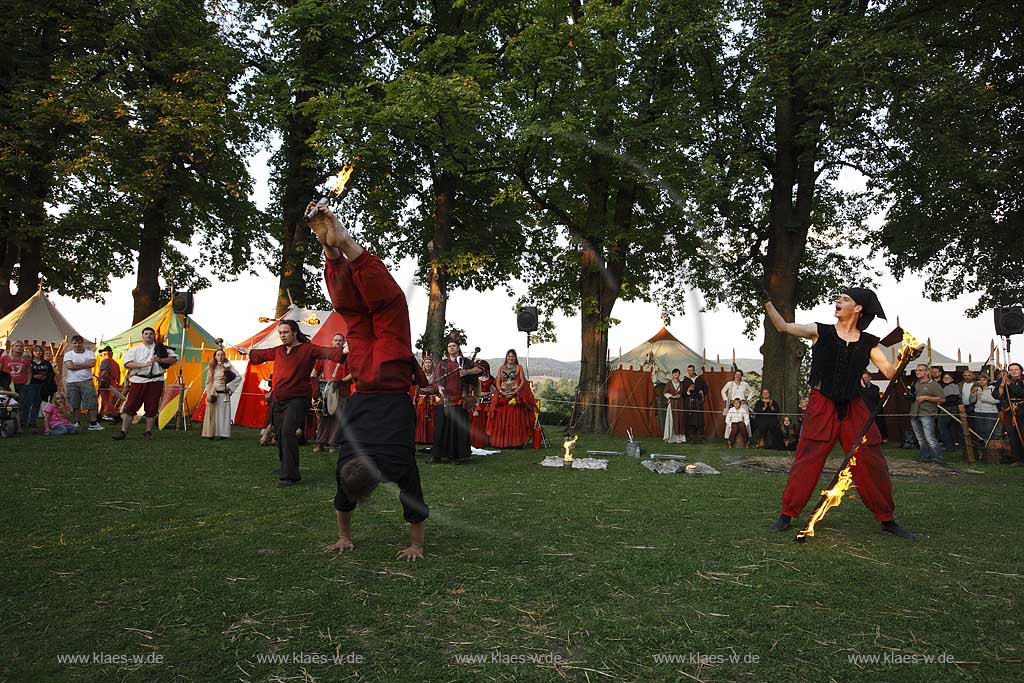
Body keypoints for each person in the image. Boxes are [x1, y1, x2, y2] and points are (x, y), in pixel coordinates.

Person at [307, 198, 431, 561]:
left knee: (387, 305)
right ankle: (334, 253)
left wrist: (416, 543)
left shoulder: (394, 466)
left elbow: (413, 502)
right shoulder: (344, 463)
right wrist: (416, 545)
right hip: (363, 376)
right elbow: (343, 501)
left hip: (390, 376)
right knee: (353, 313)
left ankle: (344, 248)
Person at [764, 287, 916, 540]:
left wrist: (906, 357)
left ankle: (887, 519)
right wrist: (766, 301)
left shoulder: (868, 342)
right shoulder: (819, 330)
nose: (838, 301)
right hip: (821, 403)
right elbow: (783, 327)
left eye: (845, 299)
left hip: (854, 406)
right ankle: (787, 514)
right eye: (838, 298)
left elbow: (890, 372)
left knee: (870, 459)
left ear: (857, 309)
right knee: (808, 459)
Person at [239, 320, 344, 486]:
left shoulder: (307, 349)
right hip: (279, 399)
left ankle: (290, 476)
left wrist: (344, 350)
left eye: (285, 332)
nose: (282, 335)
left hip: (297, 399)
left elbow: (328, 352)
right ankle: (285, 467)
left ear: (294, 332)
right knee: (281, 435)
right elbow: (262, 354)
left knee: (288, 432)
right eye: (280, 333)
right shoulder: (279, 351)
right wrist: (248, 352)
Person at [112, 327, 178, 441]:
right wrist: (142, 365)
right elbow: (127, 364)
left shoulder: (161, 348)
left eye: (151, 334)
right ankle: (123, 431)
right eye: (146, 334)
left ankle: (148, 431)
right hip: (138, 381)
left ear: (154, 336)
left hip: (155, 381)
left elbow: (173, 359)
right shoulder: (135, 350)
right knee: (131, 405)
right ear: (142, 336)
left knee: (152, 406)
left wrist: (159, 360)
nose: (149, 335)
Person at [433, 340, 482, 461]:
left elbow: (480, 369)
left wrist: (467, 371)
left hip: (460, 400)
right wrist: (439, 387)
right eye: (449, 346)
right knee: (441, 428)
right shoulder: (443, 363)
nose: (451, 348)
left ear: (458, 347)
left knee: (457, 429)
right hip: (445, 400)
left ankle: (457, 456)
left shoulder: (464, 361)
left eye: (453, 346)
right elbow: (436, 379)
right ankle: (437, 456)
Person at [487, 349, 536, 449]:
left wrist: (515, 391)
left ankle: (516, 443)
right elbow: (497, 381)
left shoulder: (519, 367)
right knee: (502, 419)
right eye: (509, 356)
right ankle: (502, 442)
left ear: (515, 358)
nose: (511, 358)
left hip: (515, 393)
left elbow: (522, 381)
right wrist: (501, 391)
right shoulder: (501, 368)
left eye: (512, 356)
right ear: (506, 357)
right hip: (503, 393)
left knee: (515, 419)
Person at [313, 332, 352, 453]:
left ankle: (333, 444)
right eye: (335, 340)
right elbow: (314, 372)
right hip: (324, 390)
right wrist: (315, 387)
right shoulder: (325, 355)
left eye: (340, 340)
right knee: (322, 417)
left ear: (343, 342)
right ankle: (320, 443)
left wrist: (341, 381)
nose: (337, 342)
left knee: (338, 418)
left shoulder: (348, 357)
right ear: (332, 341)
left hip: (341, 390)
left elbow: (353, 373)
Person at [63, 335, 102, 432]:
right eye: (75, 343)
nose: (77, 345)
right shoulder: (68, 354)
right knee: (74, 403)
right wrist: (85, 365)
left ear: (82, 343)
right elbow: (69, 366)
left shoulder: (90, 353)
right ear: (72, 344)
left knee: (91, 402)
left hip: (86, 381)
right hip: (72, 382)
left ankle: (93, 423)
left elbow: (92, 364)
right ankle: (77, 422)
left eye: (79, 343)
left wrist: (76, 364)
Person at [201, 348, 242, 439]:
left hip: (224, 395)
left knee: (223, 415)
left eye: (222, 355)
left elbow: (238, 377)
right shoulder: (212, 368)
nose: (220, 356)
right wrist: (209, 394)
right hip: (214, 394)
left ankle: (223, 434)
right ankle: (211, 433)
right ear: (215, 357)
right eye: (218, 355)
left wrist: (229, 386)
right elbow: (208, 382)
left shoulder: (229, 367)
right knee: (213, 415)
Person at [909, 364, 945, 464]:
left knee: (930, 437)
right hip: (914, 413)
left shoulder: (934, 385)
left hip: (927, 413)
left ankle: (937, 457)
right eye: (916, 370)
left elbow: (942, 399)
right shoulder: (915, 384)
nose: (917, 372)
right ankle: (925, 456)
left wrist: (926, 398)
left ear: (927, 372)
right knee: (920, 438)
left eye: (920, 370)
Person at [994, 362, 1024, 465]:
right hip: (1008, 411)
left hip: (1022, 410)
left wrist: (1010, 384)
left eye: (1016, 369)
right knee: (1012, 435)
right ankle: (1018, 458)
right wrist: (1002, 385)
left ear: (1020, 370)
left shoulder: (1022, 381)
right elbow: (996, 395)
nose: (1013, 372)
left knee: (1022, 433)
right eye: (1011, 370)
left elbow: (1021, 393)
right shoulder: (1004, 380)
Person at [1, 341, 33, 428]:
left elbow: (29, 373)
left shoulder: (26, 359)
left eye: (21, 346)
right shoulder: (4, 358)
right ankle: (6, 422)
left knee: (20, 405)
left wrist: (28, 382)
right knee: (7, 404)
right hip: (7, 386)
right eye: (17, 346)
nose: (19, 348)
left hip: (22, 384)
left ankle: (19, 424)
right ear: (12, 347)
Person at [28, 346, 55, 430]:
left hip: (43, 385)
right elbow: (26, 373)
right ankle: (24, 421)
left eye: (40, 351)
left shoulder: (46, 363)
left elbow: (52, 374)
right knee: (28, 403)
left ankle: (32, 422)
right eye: (36, 351)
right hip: (31, 384)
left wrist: (45, 376)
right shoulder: (29, 362)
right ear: (32, 352)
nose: (38, 353)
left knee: (37, 403)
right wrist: (34, 376)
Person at [414, 357, 438, 444]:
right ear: (423, 364)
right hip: (422, 398)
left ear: (432, 364)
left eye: (429, 362)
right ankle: (420, 439)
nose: (427, 364)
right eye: (426, 362)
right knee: (421, 418)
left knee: (432, 418)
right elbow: (417, 386)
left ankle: (431, 438)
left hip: (432, 398)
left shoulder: (436, 375)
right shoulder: (420, 374)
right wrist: (414, 398)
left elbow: (437, 386)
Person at [970, 375, 1001, 444]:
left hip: (990, 413)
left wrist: (983, 398)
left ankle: (991, 447)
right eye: (980, 380)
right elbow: (971, 401)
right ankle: (982, 448)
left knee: (989, 431)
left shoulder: (993, 389)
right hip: (978, 412)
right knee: (980, 431)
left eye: (984, 380)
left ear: (987, 381)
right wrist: (973, 394)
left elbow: (997, 401)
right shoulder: (977, 388)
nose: (981, 381)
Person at [681, 365, 708, 442]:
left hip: (698, 402)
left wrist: (702, 391)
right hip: (690, 403)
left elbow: (705, 388)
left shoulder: (699, 379)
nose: (690, 372)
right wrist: (688, 390)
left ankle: (700, 437)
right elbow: (683, 393)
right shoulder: (685, 380)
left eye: (691, 370)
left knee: (700, 419)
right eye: (688, 370)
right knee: (690, 419)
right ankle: (691, 437)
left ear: (694, 370)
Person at [470, 360, 493, 448]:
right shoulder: (472, 379)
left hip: (486, 404)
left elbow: (497, 388)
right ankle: (474, 441)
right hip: (476, 404)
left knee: (485, 423)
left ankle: (485, 442)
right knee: (475, 424)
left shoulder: (491, 379)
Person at [858, 372, 887, 443]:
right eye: (862, 378)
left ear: (870, 378)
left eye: (865, 377)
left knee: (876, 426)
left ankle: (879, 439)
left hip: (873, 410)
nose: (864, 379)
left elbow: (871, 396)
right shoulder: (859, 388)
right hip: (863, 410)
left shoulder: (875, 388)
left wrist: (864, 387)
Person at [96, 346, 122, 422]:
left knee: (105, 401)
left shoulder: (105, 361)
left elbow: (105, 372)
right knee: (103, 400)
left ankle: (116, 416)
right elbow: (119, 375)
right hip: (113, 382)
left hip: (106, 382)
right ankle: (99, 415)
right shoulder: (115, 363)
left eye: (103, 353)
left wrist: (100, 379)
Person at [661, 368, 687, 444]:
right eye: (674, 373)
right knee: (671, 420)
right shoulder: (669, 383)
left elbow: (684, 393)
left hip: (680, 404)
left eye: (677, 373)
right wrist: (672, 396)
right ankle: (671, 438)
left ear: (679, 374)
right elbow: (665, 393)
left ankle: (679, 438)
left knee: (680, 420)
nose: (676, 375)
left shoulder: (681, 384)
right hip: (672, 404)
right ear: (672, 375)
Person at [938, 372, 962, 451]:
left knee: (943, 426)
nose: (945, 379)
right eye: (944, 378)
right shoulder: (945, 386)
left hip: (949, 409)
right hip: (949, 408)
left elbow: (953, 398)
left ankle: (949, 445)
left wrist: (942, 401)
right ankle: (951, 445)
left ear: (952, 379)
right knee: (950, 427)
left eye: (947, 378)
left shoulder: (952, 386)